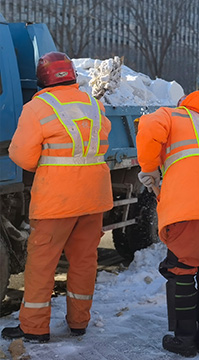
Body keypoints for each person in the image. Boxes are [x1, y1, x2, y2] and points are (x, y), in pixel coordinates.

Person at [1, 52, 113, 342]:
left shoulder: (37, 108)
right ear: (72, 75)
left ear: (42, 79)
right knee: (85, 261)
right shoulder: (94, 104)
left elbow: (23, 157)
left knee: (42, 264)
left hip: (57, 201)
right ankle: (79, 321)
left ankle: (35, 328)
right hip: (94, 198)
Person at [136, 90, 199, 357]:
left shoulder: (174, 115)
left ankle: (184, 339)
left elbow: (148, 125)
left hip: (189, 209)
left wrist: (148, 167)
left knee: (182, 270)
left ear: (187, 104)